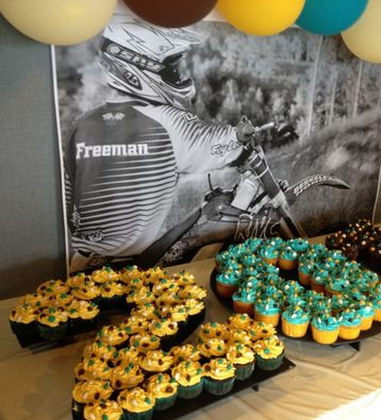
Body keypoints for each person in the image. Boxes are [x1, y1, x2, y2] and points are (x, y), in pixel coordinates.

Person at [64, 15, 251, 271]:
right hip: (136, 268)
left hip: (81, 263)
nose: (177, 74)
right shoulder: (168, 121)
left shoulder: (82, 124)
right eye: (169, 68)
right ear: (136, 67)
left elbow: (68, 200)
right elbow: (218, 145)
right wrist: (241, 137)